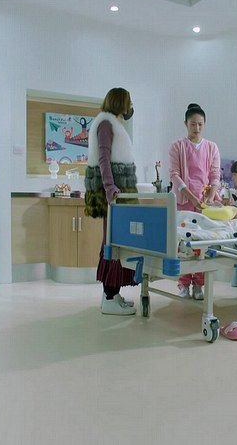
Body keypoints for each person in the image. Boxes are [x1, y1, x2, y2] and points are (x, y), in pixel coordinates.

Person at [84, 87, 139, 315]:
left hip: (119, 193)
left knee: (116, 241)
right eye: (129, 101)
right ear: (121, 102)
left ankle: (113, 294)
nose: (131, 106)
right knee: (112, 242)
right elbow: (104, 158)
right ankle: (109, 297)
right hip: (114, 194)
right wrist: (109, 188)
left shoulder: (112, 123)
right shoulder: (106, 124)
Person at [168, 103, 221, 300]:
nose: (197, 128)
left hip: (204, 202)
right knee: (183, 244)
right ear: (185, 124)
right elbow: (174, 174)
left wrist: (209, 197)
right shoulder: (177, 146)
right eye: (193, 124)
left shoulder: (212, 147)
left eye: (200, 124)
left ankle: (199, 284)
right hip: (184, 200)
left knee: (201, 244)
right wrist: (191, 197)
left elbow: (215, 175)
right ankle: (183, 283)